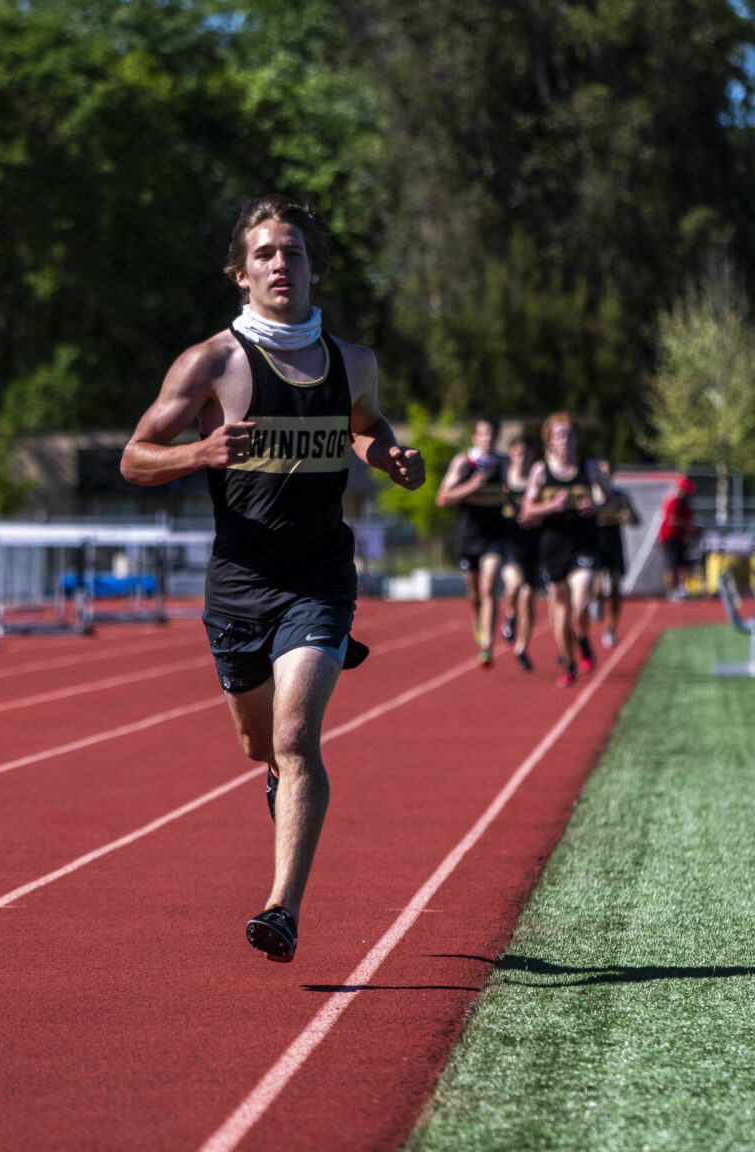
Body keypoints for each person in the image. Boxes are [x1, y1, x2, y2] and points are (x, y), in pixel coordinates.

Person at [120, 194, 425, 964]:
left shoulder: (353, 360)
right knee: (262, 746)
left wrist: (383, 452)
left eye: (292, 252)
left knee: (297, 737)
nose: (280, 264)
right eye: (264, 254)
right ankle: (278, 784)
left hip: (319, 579)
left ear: (314, 268)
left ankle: (281, 909)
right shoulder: (211, 363)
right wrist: (199, 454)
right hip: (237, 587)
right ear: (239, 272)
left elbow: (363, 422)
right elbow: (134, 457)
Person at [521, 412, 611, 687]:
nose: (565, 441)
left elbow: (611, 499)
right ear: (549, 440)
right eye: (559, 435)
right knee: (560, 609)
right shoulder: (540, 471)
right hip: (553, 546)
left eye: (569, 435)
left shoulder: (590, 467)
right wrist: (550, 506)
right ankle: (569, 661)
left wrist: (595, 507)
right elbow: (526, 512)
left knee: (580, 601)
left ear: (576, 439)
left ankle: (582, 636)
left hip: (584, 543)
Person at [436, 418, 506, 666]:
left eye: (492, 434)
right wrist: (471, 486)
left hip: (494, 539)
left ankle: (487, 645)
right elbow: (442, 498)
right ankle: (477, 616)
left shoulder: (503, 464)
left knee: (489, 587)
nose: (487, 438)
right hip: (468, 538)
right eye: (483, 433)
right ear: (475, 437)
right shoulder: (464, 463)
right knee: (475, 592)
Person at [498, 433, 541, 672]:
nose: (520, 459)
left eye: (524, 455)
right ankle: (510, 614)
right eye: (516, 454)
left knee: (529, 601)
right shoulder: (504, 480)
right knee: (514, 586)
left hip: (534, 545)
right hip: (511, 544)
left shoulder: (538, 480)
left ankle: (521, 648)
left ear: (531, 456)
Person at [593, 459, 641, 647]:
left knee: (615, 589)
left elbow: (636, 520)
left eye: (607, 473)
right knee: (593, 585)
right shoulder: (590, 497)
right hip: (594, 545)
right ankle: (595, 600)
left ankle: (610, 629)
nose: (605, 477)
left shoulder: (620, 497)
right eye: (601, 473)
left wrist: (628, 517)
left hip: (614, 546)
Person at [658, 476, 700, 601]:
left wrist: (694, 529)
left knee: (684, 565)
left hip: (681, 538)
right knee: (672, 565)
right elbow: (672, 520)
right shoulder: (673, 502)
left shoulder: (687, 506)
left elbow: (689, 521)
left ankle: (682, 589)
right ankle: (671, 592)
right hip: (670, 537)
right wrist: (689, 526)